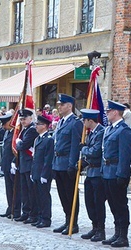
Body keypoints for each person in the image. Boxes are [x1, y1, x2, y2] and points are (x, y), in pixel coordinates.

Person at [101, 100, 131, 247]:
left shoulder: (124, 130)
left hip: (116, 172)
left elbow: (125, 155)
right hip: (107, 171)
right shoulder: (109, 129)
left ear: (115, 112)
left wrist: (122, 174)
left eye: (108, 111)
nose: (106, 113)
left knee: (120, 204)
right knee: (113, 204)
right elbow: (105, 152)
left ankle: (123, 236)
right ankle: (117, 232)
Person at [52, 94, 83, 235]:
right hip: (58, 162)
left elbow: (75, 146)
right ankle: (67, 219)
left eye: (62, 105)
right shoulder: (61, 122)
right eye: (59, 104)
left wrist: (72, 164)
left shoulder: (75, 122)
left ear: (69, 106)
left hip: (67, 163)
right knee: (62, 195)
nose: (59, 107)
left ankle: (73, 223)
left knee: (70, 194)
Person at [79, 109, 106, 242]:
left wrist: (83, 148)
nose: (83, 123)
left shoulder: (101, 132)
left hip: (98, 172)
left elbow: (95, 152)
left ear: (90, 120)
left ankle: (101, 229)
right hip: (90, 171)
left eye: (84, 120)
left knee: (98, 202)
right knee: (89, 201)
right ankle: (94, 226)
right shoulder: (90, 134)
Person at [15, 109, 39, 224]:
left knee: (31, 191)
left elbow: (23, 145)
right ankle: (26, 212)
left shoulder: (32, 130)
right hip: (23, 164)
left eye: (24, 119)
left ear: (31, 118)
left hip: (29, 164)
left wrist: (19, 143)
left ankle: (33, 214)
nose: (23, 121)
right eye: (21, 119)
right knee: (24, 190)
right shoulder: (24, 130)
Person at [31, 115, 54, 228]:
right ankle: (40, 217)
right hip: (36, 172)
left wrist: (44, 174)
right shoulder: (37, 139)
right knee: (37, 196)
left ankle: (46, 218)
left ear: (44, 126)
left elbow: (48, 159)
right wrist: (32, 172)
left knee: (44, 196)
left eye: (38, 124)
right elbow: (35, 158)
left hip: (43, 173)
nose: (36, 126)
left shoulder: (48, 140)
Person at [0, 113, 21, 219]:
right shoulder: (7, 133)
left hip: (13, 164)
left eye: (5, 123)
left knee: (15, 188)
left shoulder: (15, 134)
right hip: (6, 164)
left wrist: (13, 162)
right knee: (8, 188)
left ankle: (15, 210)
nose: (3, 126)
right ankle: (10, 207)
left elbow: (15, 150)